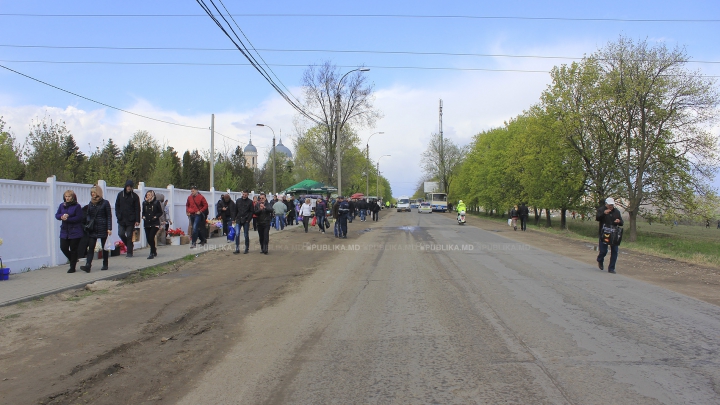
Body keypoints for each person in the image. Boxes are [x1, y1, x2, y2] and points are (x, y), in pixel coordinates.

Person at [80, 185, 112, 272]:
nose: (93, 194)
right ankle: (88, 265)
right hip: (93, 228)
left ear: (98, 193)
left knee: (104, 247)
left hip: (103, 227)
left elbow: (109, 216)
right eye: (91, 192)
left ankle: (105, 264)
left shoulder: (105, 203)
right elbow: (89, 214)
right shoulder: (91, 203)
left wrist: (109, 228)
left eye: (94, 192)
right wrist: (89, 222)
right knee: (91, 247)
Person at [55, 190, 83, 273]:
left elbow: (79, 218)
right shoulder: (62, 205)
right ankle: (73, 259)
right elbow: (57, 215)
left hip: (75, 231)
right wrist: (61, 216)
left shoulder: (77, 206)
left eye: (69, 196)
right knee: (63, 247)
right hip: (64, 231)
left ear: (72, 197)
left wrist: (68, 218)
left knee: (73, 249)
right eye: (66, 196)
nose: (67, 198)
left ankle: (72, 266)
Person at [596, 197, 624, 274]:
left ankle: (611, 268)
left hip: (614, 234)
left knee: (615, 251)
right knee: (603, 251)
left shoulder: (616, 212)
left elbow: (621, 222)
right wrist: (604, 213)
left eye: (612, 205)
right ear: (606, 204)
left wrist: (619, 221)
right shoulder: (602, 210)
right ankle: (600, 259)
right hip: (604, 233)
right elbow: (597, 218)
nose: (611, 207)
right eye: (609, 205)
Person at [115, 180, 140, 258]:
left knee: (129, 235)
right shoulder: (120, 195)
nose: (129, 188)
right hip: (121, 219)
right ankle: (129, 245)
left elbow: (137, 209)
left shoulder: (135, 196)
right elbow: (117, 206)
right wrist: (118, 215)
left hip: (130, 219)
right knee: (121, 233)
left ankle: (129, 252)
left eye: (130, 187)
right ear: (125, 186)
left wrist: (137, 220)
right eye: (128, 186)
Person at [142, 190, 163, 259]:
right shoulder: (144, 203)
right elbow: (143, 212)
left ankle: (151, 252)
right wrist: (143, 216)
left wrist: (156, 217)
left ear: (153, 195)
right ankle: (154, 249)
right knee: (148, 239)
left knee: (151, 237)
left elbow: (160, 212)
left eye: (150, 194)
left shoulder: (156, 202)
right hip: (147, 223)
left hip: (154, 223)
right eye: (147, 194)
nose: (149, 196)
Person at [233, 190, 253, 254]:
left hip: (246, 220)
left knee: (246, 235)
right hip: (239, 219)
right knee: (237, 234)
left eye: (245, 194)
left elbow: (251, 211)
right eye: (243, 194)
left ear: (247, 195)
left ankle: (246, 248)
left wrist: (248, 220)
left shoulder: (250, 202)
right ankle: (237, 248)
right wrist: (234, 218)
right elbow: (235, 210)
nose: (244, 195)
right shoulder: (238, 201)